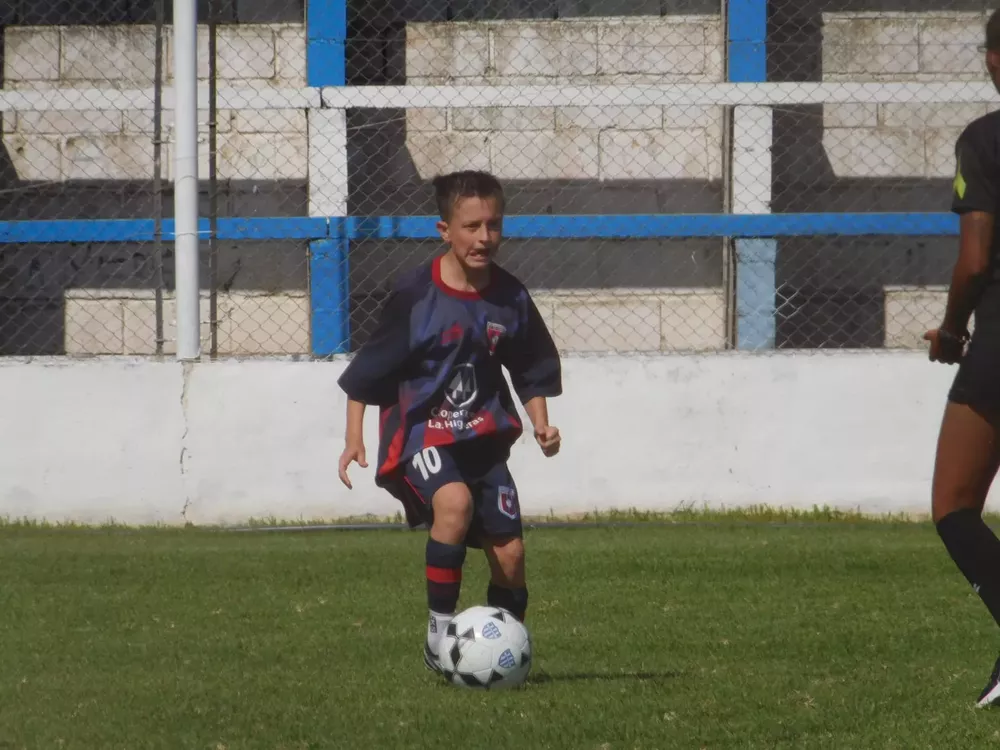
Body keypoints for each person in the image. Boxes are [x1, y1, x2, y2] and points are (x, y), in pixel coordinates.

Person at [336, 170, 563, 674]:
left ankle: (503, 654)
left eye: (494, 225)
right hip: (424, 433)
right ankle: (440, 641)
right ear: (445, 231)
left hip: (484, 439)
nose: (484, 237)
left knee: (511, 556)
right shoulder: (416, 296)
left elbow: (531, 366)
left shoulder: (510, 297)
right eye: (471, 226)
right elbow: (367, 372)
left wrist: (542, 424)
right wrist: (354, 439)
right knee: (453, 504)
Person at [925, 8, 1000, 708]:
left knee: (953, 505)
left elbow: (976, 259)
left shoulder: (984, 141)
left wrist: (951, 332)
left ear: (993, 61)